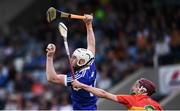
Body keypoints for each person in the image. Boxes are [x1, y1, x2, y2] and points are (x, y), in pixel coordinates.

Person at [46, 14, 97, 110]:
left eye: (74, 58)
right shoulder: (90, 64)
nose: (70, 60)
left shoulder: (78, 78)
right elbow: (91, 45)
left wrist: (49, 57)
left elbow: (52, 78)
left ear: (81, 62)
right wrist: (89, 25)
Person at [72, 78, 163, 110]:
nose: (133, 88)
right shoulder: (157, 106)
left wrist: (81, 85)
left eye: (136, 86)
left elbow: (103, 94)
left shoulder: (133, 99)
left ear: (142, 90)